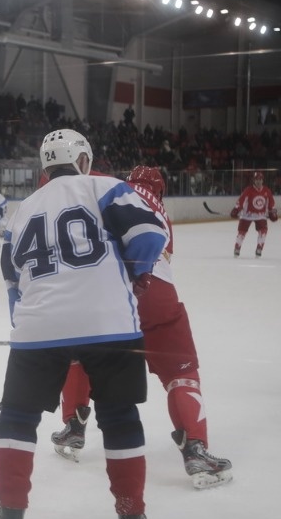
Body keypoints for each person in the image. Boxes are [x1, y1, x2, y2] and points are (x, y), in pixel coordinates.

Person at [0, 128, 168, 519]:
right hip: (110, 324)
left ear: (45, 168)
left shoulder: (22, 209)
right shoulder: (106, 186)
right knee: (120, 415)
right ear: (84, 161)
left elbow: (12, 280)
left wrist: (31, 330)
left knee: (17, 417)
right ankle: (131, 510)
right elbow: (149, 236)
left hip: (39, 328)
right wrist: (133, 276)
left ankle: (11, 511)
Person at [51, 166, 233, 489]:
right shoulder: (162, 211)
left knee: (81, 354)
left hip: (110, 290)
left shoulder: (113, 189)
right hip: (158, 292)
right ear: (160, 191)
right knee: (182, 373)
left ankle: (74, 427)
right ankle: (195, 449)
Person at [230, 170, 277, 258]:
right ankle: (237, 247)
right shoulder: (248, 190)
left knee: (263, 231)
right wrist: (236, 209)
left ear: (263, 180)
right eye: (256, 179)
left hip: (260, 215)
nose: (258, 181)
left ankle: (259, 248)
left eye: (260, 179)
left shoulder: (267, 191)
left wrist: (272, 212)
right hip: (247, 215)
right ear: (254, 180)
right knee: (241, 232)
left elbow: (271, 203)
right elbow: (241, 200)